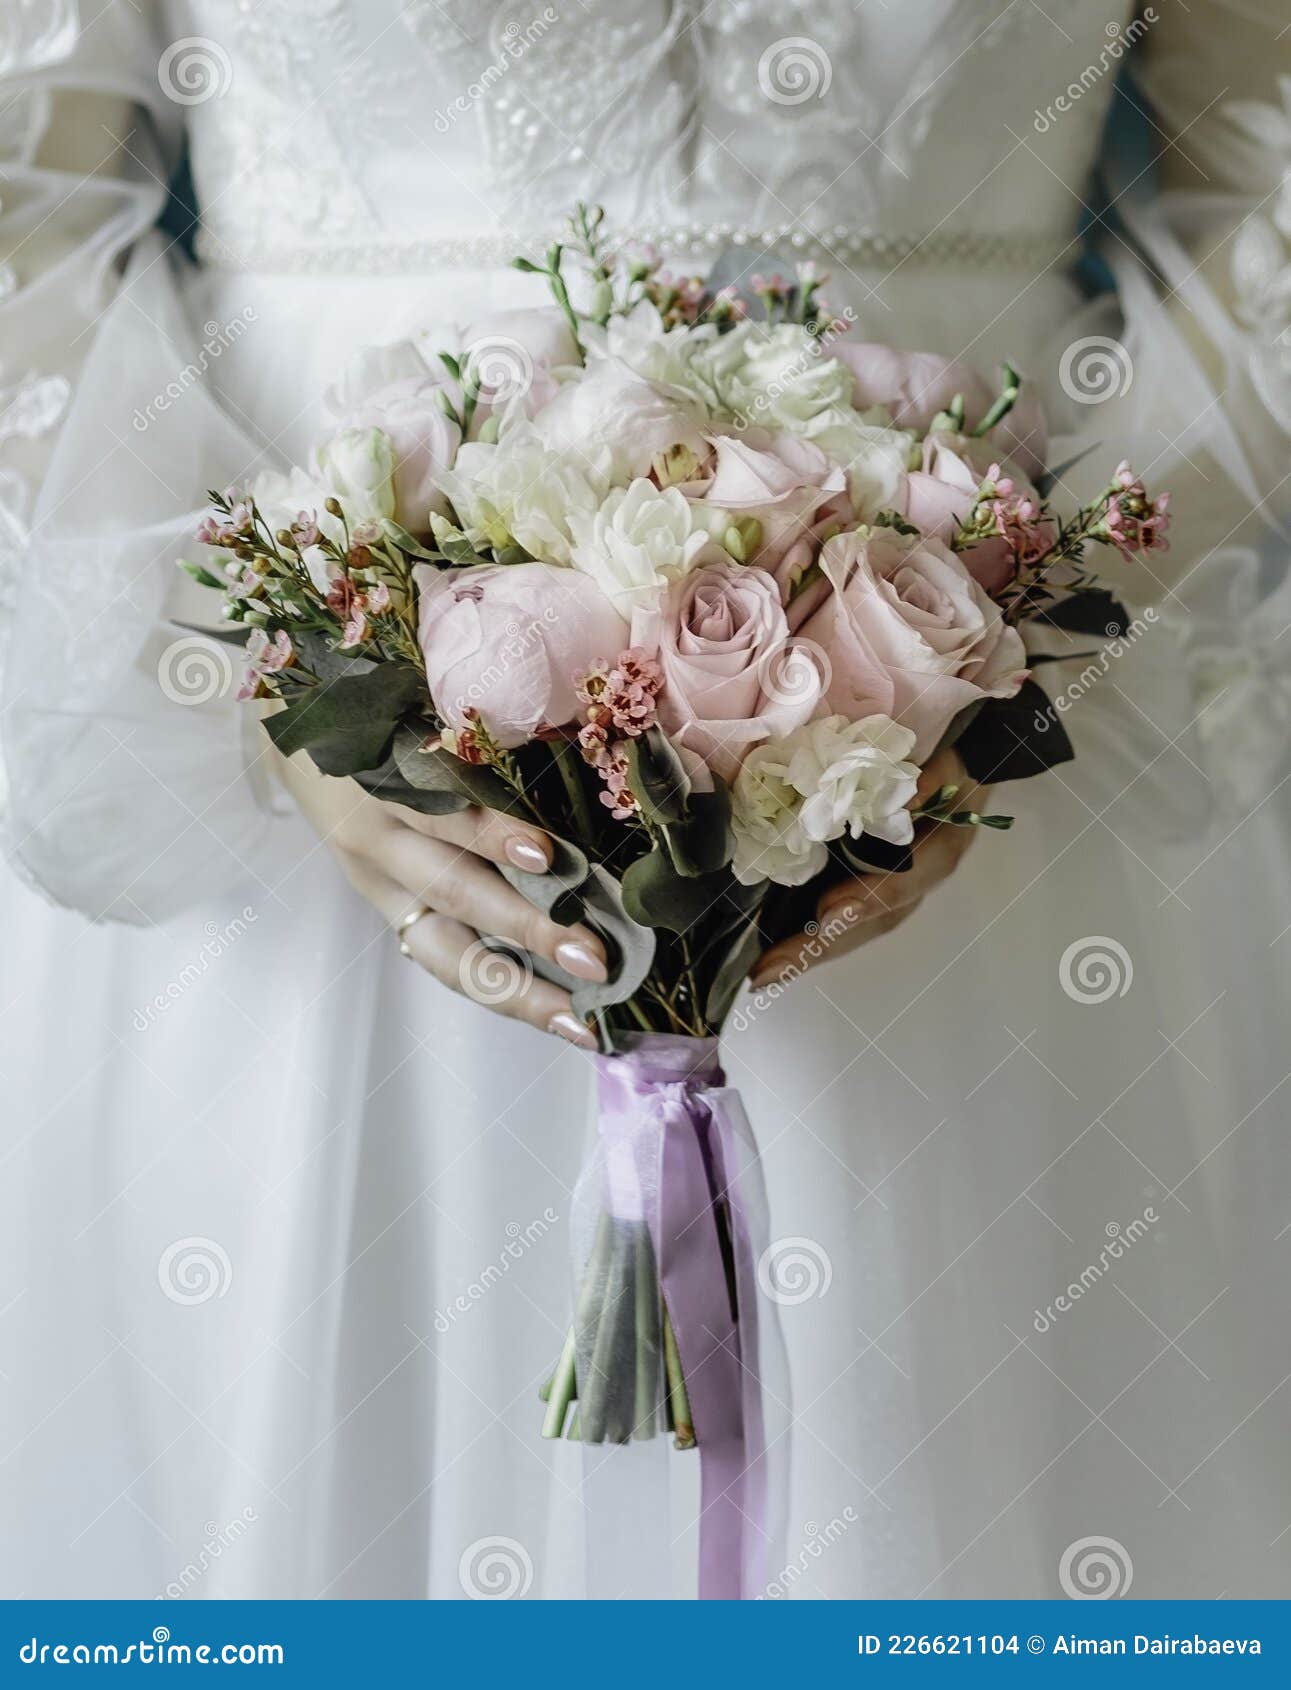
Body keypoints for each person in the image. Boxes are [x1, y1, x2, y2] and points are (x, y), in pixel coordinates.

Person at [2, 0, 1289, 1599]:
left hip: (986, 819)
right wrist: (251, 657)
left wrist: (1036, 632)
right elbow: (23, 193)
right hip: (311, 860)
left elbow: (1269, 174)